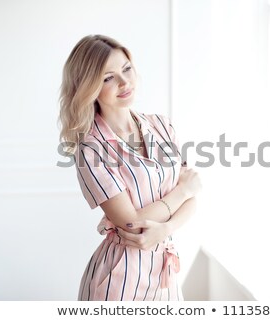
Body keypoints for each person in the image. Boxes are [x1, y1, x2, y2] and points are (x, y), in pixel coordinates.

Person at [58, 34, 201, 301]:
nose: (124, 82)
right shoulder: (91, 150)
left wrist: (165, 229)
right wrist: (181, 192)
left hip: (165, 278)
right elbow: (132, 224)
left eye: (126, 69)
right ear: (89, 86)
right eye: (108, 77)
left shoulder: (162, 125)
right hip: (120, 280)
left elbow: (193, 198)